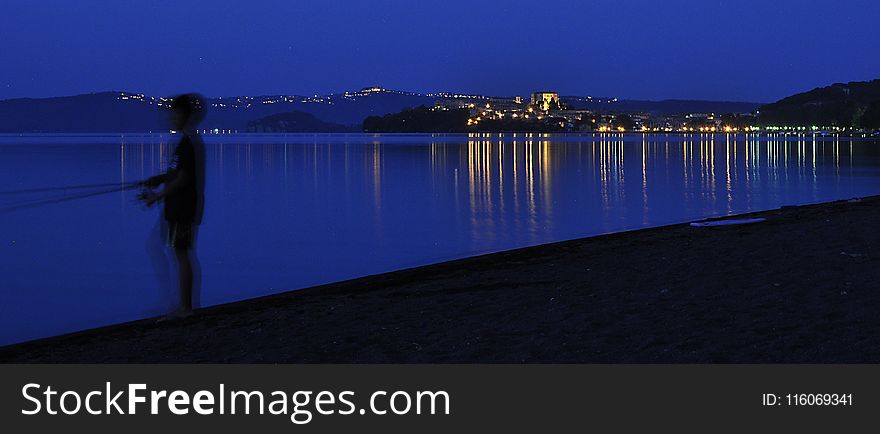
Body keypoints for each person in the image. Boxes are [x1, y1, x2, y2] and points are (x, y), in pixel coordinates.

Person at [141, 93, 206, 317]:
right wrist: (158, 180)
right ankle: (179, 303)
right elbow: (176, 173)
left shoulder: (188, 143)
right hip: (177, 207)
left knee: (181, 254)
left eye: (175, 114)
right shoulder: (184, 143)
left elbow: (183, 179)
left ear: (185, 116)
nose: (171, 118)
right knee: (176, 252)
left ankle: (186, 307)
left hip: (184, 207)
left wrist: (156, 196)